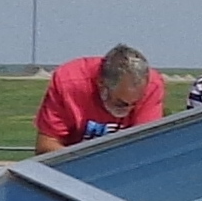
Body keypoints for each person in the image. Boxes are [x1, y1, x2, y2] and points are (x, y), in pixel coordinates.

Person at [35, 43, 171, 155]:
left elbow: (144, 148)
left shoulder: (153, 85)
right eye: (121, 103)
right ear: (101, 84)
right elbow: (45, 146)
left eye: (135, 104)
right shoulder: (68, 82)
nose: (129, 110)